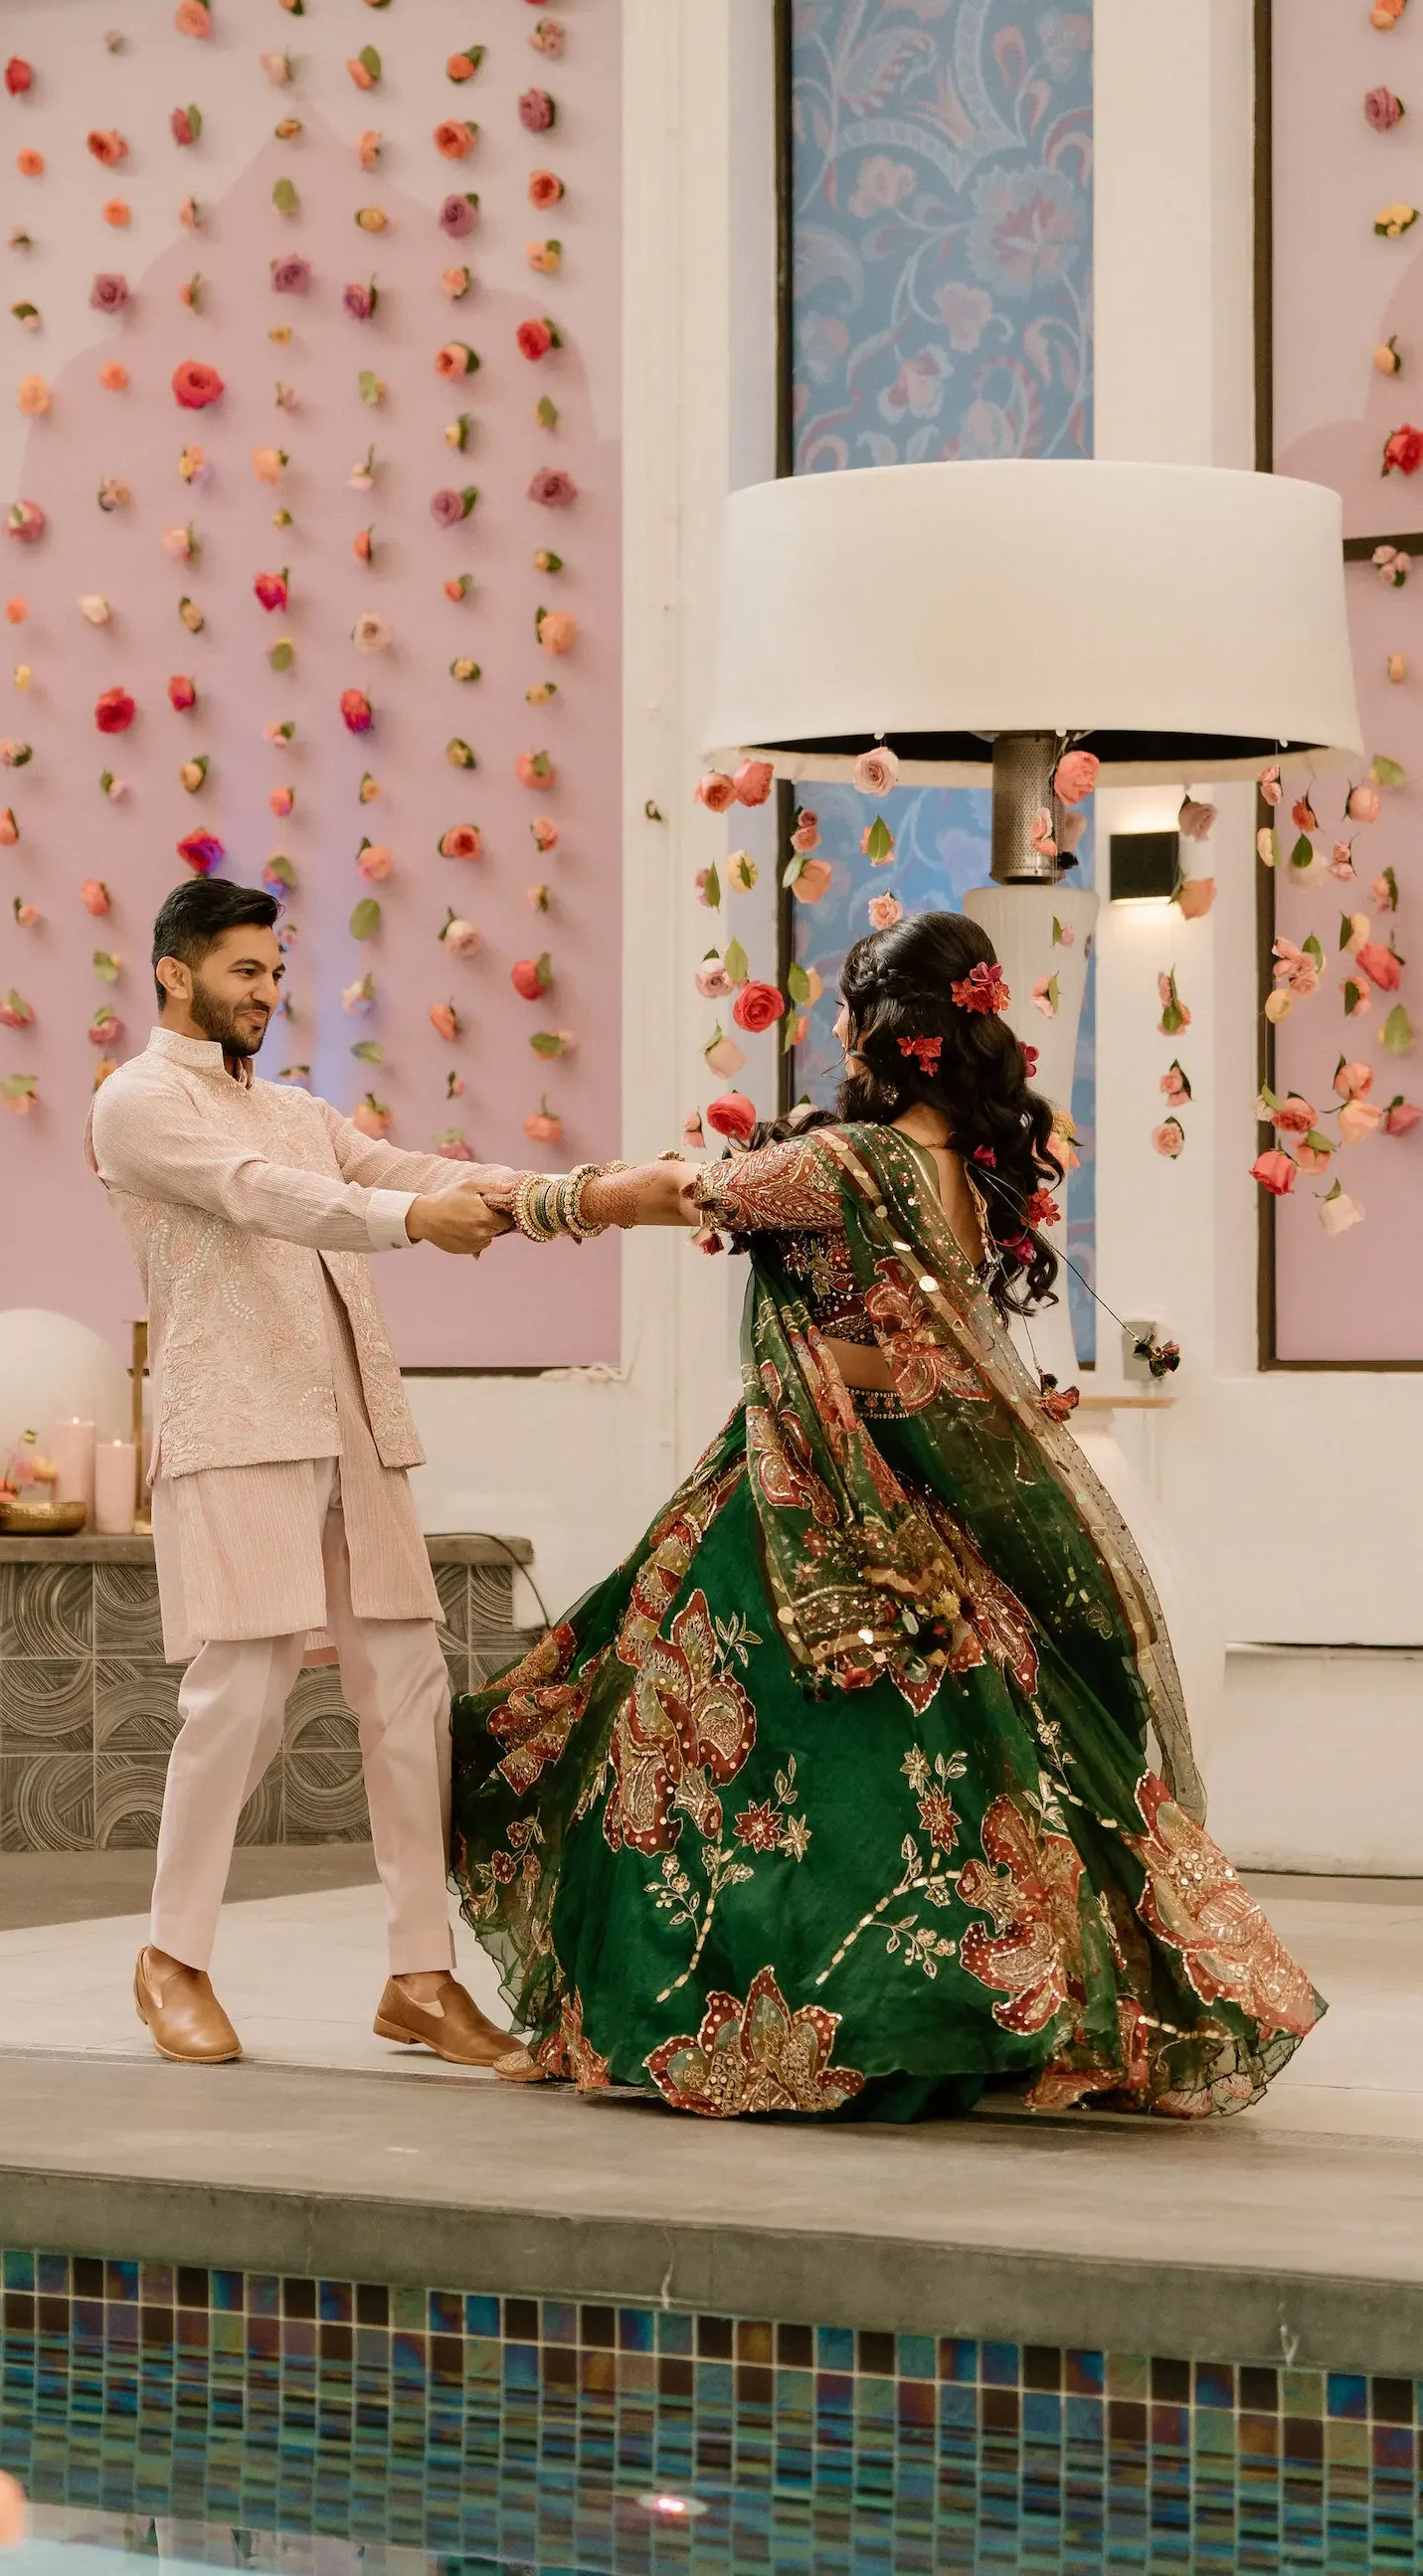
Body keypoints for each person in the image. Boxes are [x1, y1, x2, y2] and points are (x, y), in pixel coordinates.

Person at [453, 911, 1322, 2120]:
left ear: (880, 1028)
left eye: (848, 1014)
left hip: (821, 1476)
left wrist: (520, 1202)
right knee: (958, 1755)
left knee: (696, 1735)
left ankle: (765, 2020)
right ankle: (980, 2020)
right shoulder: (967, 1156)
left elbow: (673, 1190)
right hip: (910, 1480)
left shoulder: (842, 1164)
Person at [89, 876, 530, 2072]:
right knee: (239, 1696)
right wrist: (408, 1225)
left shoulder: (291, 1106)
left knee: (408, 1697)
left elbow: (393, 1166)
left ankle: (420, 1976)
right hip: (236, 1427)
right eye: (246, 971)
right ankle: (170, 1958)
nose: (267, 994)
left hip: (355, 1429)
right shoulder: (134, 1103)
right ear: (176, 972)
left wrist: (555, 1196)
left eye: (276, 973)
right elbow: (267, 1197)